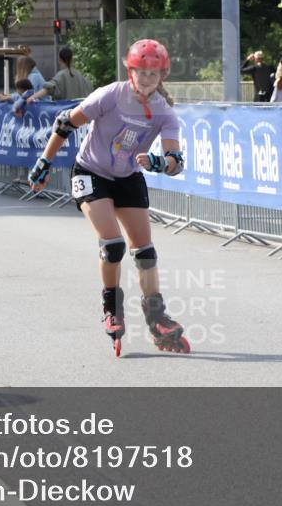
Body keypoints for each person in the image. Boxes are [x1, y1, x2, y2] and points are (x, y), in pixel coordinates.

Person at [27, 39, 189, 357]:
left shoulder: (164, 114)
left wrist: (159, 163)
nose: (145, 79)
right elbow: (65, 122)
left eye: (152, 74)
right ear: (130, 72)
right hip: (91, 172)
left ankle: (156, 317)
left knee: (145, 252)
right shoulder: (111, 94)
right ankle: (112, 306)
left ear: (162, 76)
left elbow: (176, 162)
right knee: (112, 245)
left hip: (127, 177)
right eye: (140, 72)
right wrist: (45, 161)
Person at [27, 46, 94, 103]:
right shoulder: (79, 74)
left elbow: (48, 89)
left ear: (60, 59)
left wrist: (32, 97)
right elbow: (90, 89)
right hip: (81, 112)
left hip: (67, 113)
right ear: (72, 59)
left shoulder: (61, 75)